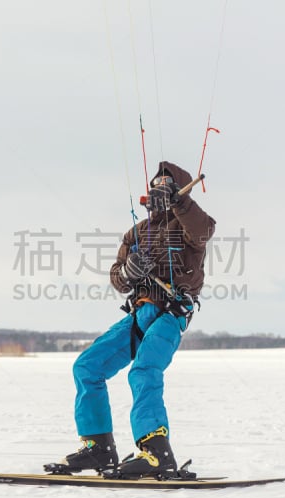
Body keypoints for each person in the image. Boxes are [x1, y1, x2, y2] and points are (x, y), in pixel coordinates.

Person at [50, 161, 216, 479]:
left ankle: (156, 453)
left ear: (179, 192)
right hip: (140, 314)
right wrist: (127, 273)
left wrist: (180, 203)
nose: (157, 194)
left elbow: (204, 230)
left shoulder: (190, 226)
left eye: (166, 188)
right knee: (87, 367)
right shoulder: (136, 233)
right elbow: (118, 276)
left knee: (144, 370)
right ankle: (98, 449)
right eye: (154, 188)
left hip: (171, 314)